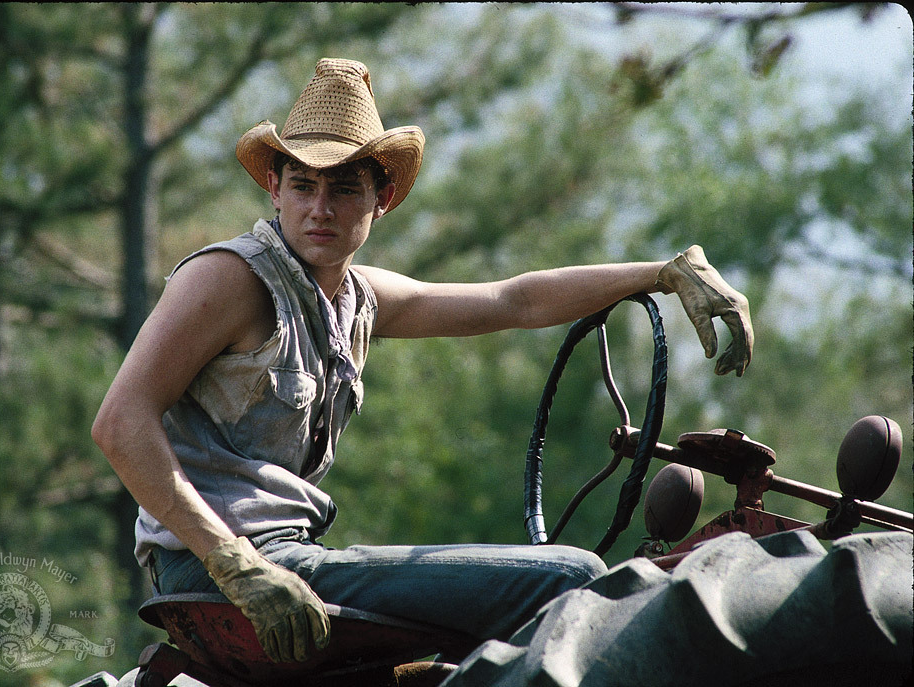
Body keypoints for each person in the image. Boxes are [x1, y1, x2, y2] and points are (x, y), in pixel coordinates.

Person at [92, 58, 753, 665]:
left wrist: (665, 273)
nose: (319, 207)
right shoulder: (228, 279)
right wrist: (234, 563)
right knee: (570, 576)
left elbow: (512, 300)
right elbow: (120, 423)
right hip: (219, 567)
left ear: (383, 198)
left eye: (344, 188)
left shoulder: (356, 299)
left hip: (286, 559)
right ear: (274, 187)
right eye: (302, 184)